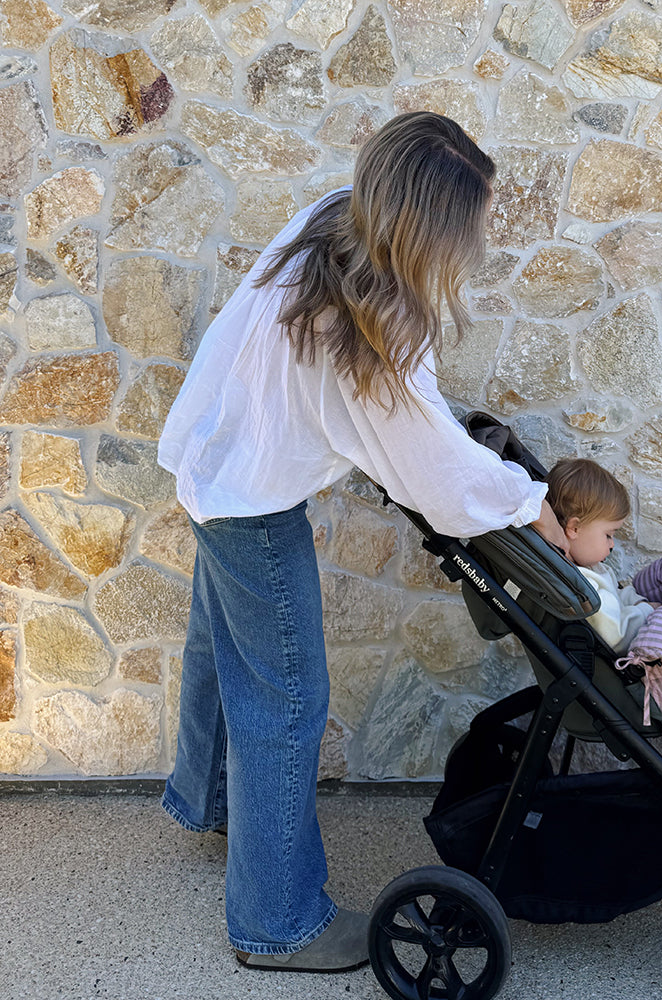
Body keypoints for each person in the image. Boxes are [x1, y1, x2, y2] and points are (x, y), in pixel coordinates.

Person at [156, 112, 567, 974]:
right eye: (470, 227)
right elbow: (442, 480)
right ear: (430, 231)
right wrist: (531, 503)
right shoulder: (370, 337)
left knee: (219, 649)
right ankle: (278, 922)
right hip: (249, 505)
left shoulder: (330, 217)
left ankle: (215, 803)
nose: (478, 241)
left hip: (208, 458)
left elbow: (407, 429)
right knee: (289, 701)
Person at [544, 458, 656, 653]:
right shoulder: (581, 584)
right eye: (608, 535)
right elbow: (617, 635)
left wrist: (639, 602)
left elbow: (617, 593)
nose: (612, 544)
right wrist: (651, 611)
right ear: (574, 528)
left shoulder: (592, 567)